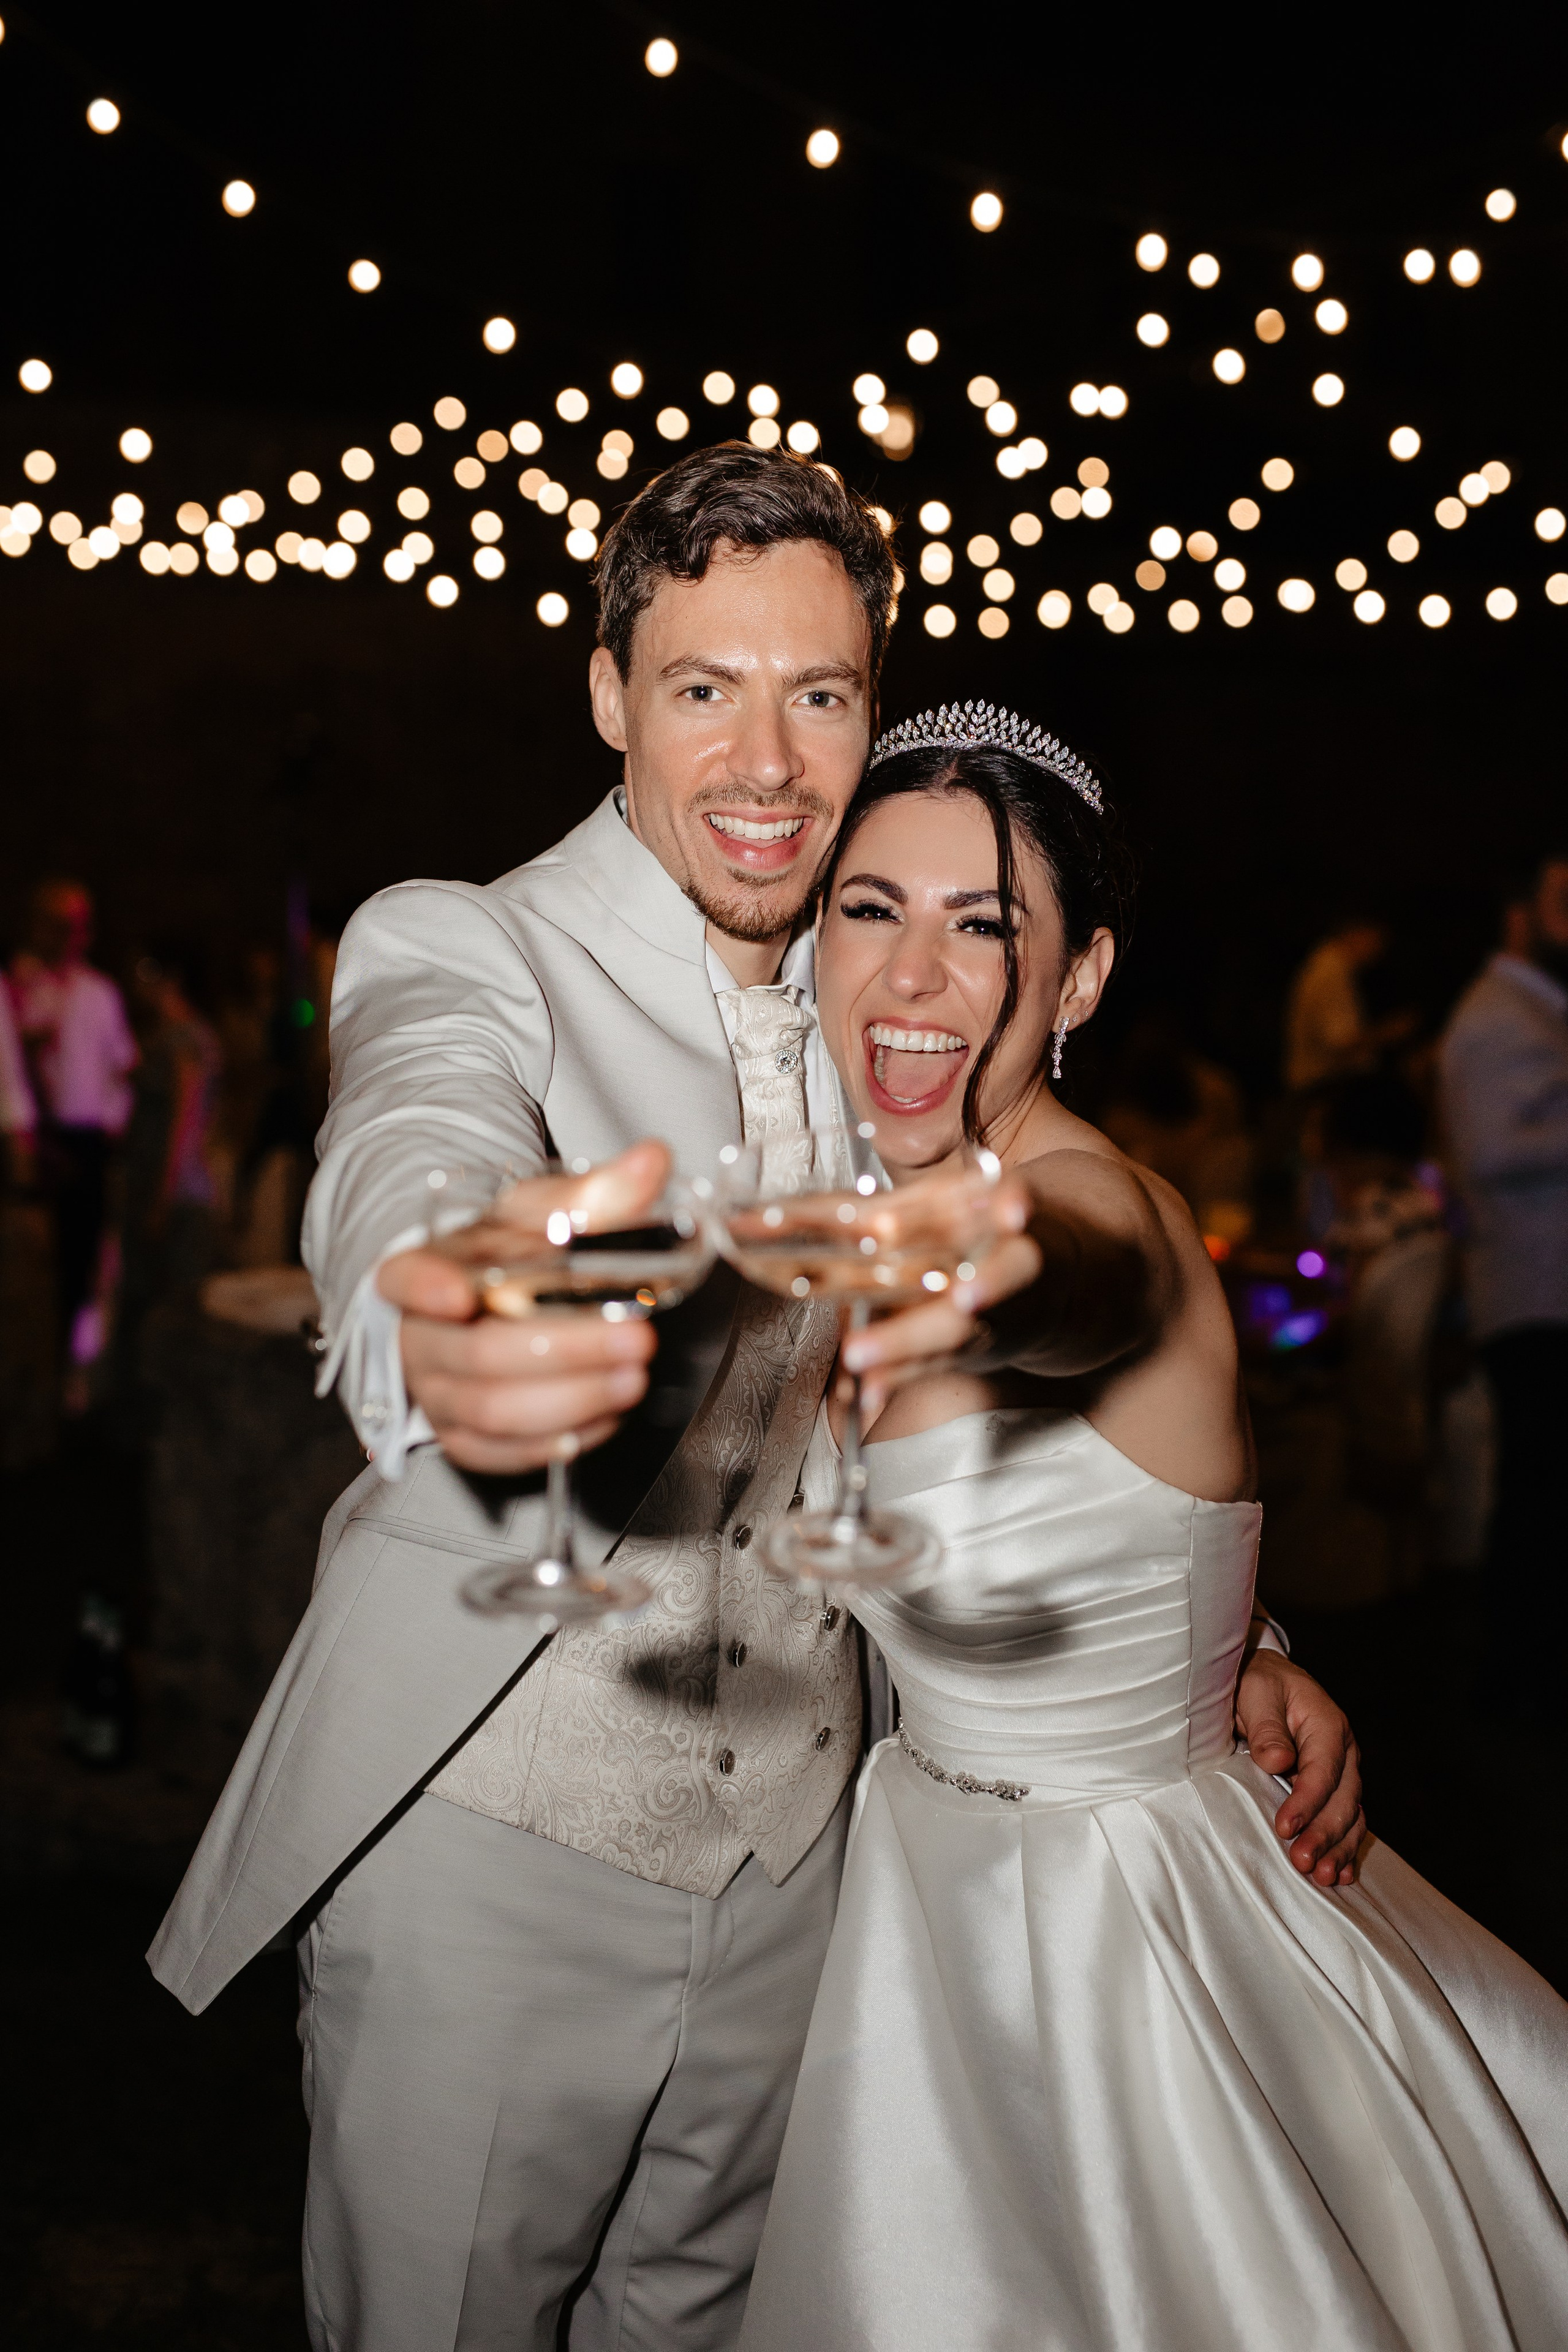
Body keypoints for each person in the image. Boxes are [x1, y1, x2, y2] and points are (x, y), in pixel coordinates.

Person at [149, 445, 1363, 2352]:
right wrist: (433, 1311)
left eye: (821, 695)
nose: (770, 764)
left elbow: (1020, 1411)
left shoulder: (889, 967)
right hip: (497, 1862)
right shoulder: (468, 945)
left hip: (814, 1877)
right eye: (705, 686)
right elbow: (416, 1130)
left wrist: (1224, 1637)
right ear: (610, 693)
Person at [740, 724, 1568, 2352]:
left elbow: (1086, 1279)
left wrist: (975, 1270)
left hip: (1119, 1942)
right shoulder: (837, 1167)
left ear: (1083, 977)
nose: (913, 971)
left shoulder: (1103, 1213)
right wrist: (1249, 1640)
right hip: (927, 1893)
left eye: (984, 927)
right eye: (869, 908)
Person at [1439, 848, 1568, 1719]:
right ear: (1520, 913)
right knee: (1540, 1502)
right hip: (1534, 1297)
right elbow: (1488, 1153)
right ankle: (1520, 1689)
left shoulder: (1538, 1010)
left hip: (1545, 1294)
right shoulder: (1498, 1015)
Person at [10, 878, 138, 1374]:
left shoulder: (100, 993)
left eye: (79, 924)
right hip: (37, 1139)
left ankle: (71, 1370)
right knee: (38, 1260)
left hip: (87, 1142)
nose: (71, 934)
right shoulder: (22, 988)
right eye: (60, 924)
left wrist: (112, 1123)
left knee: (85, 1258)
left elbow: (121, 1066)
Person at [1284, 911, 1411, 1093]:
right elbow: (1341, 1042)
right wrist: (1391, 1031)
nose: (1380, 951)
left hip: (1327, 1085)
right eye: (1378, 940)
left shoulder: (1328, 964)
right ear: (1357, 933)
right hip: (1323, 1088)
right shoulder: (1331, 970)